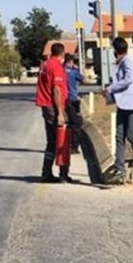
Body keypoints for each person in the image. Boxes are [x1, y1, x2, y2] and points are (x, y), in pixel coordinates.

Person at [102, 36, 133, 184]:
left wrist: (110, 88)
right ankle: (119, 169)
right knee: (119, 136)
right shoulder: (120, 63)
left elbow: (129, 79)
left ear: (116, 50)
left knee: (129, 133)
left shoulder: (128, 62)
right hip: (123, 104)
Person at [35, 42, 68, 183]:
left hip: (45, 106)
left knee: (52, 141)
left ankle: (46, 172)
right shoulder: (56, 67)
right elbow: (56, 90)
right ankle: (61, 173)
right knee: (61, 139)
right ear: (62, 54)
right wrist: (60, 112)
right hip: (53, 107)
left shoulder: (45, 65)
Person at [63, 53, 84, 155]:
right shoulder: (74, 72)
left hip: (63, 100)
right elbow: (83, 79)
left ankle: (65, 143)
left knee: (68, 123)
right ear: (71, 62)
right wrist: (77, 69)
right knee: (76, 123)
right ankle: (74, 146)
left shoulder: (61, 71)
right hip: (73, 100)